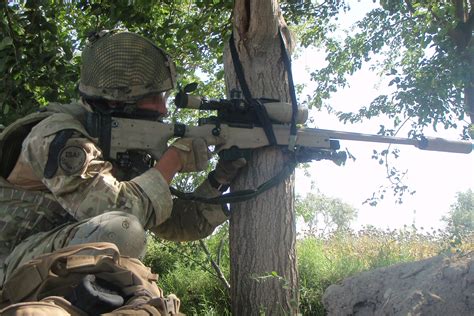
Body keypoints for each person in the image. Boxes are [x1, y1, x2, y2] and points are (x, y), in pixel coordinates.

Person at [0, 30, 244, 314]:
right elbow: (117, 213)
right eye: (156, 97)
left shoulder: (119, 149)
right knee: (122, 230)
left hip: (46, 264)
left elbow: (175, 224)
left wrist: (219, 180)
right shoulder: (56, 135)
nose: (164, 108)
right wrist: (173, 161)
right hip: (10, 267)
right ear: (119, 100)